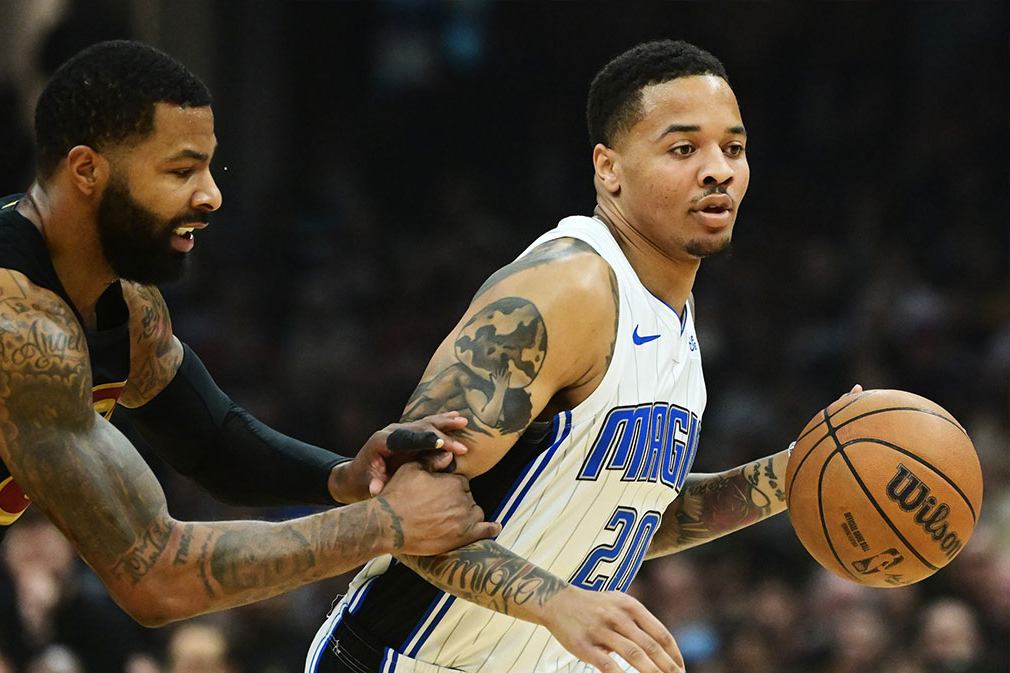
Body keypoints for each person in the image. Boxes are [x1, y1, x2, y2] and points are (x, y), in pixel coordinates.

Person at [0, 40, 500, 672]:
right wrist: (384, 525)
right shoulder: (2, 321)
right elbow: (154, 575)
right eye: (182, 169)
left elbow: (213, 441)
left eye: (209, 165)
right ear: (87, 170)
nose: (212, 194)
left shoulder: (116, 296)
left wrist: (347, 478)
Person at [307, 39, 856, 673]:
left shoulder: (673, 314)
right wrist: (556, 604)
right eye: (684, 149)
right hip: (409, 659)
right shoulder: (566, 290)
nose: (718, 170)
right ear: (608, 168)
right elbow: (404, 513)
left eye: (733, 148)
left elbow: (619, 516)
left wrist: (789, 476)